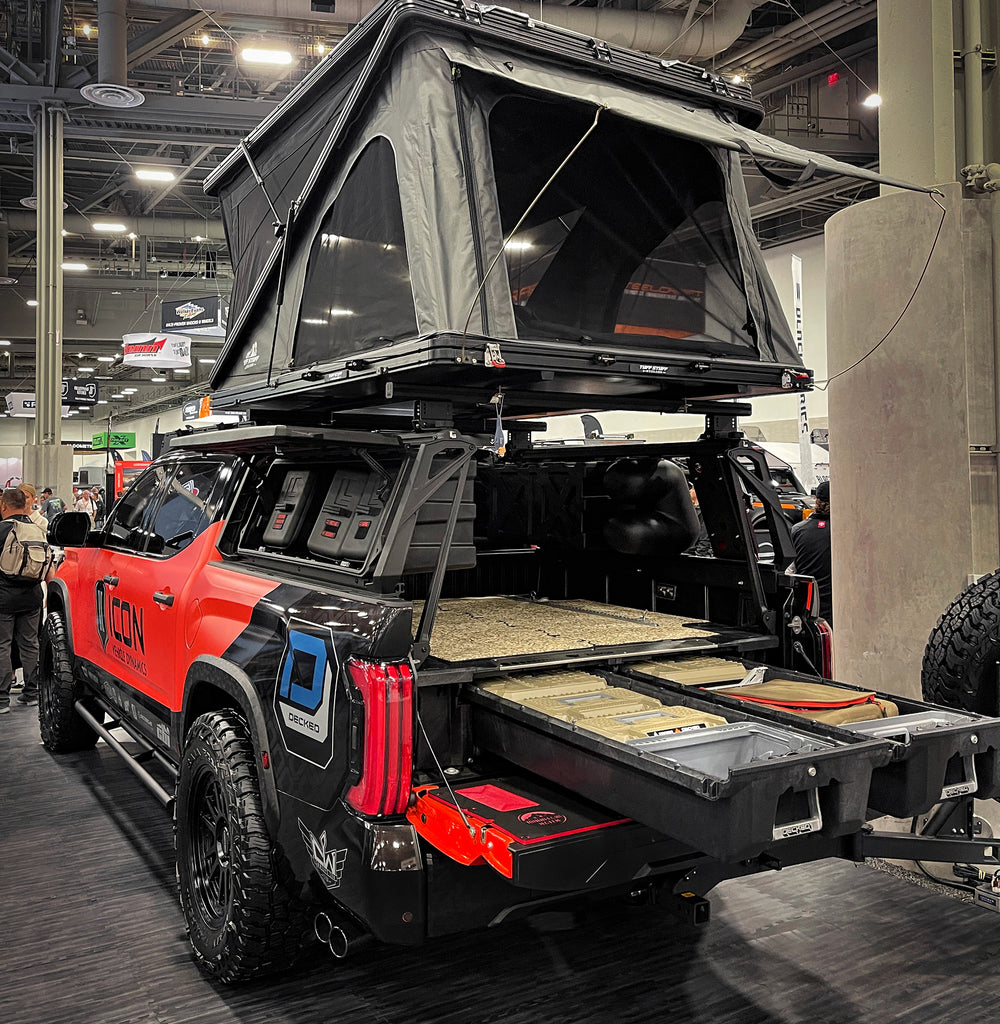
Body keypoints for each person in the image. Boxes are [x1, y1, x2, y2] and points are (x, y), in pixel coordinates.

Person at [0, 488, 46, 713]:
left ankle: (1, 700)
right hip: (33, 598)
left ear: (4, 506)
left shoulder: (1, 530)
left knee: (2, 646)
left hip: (4, 600)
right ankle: (32, 693)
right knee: (30, 644)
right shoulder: (37, 530)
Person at [791, 479, 833, 625]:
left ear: (816, 501)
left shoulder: (797, 530)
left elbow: (791, 568)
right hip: (834, 610)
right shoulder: (842, 532)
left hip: (807, 610)